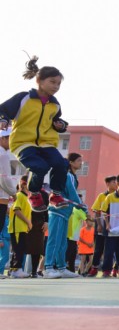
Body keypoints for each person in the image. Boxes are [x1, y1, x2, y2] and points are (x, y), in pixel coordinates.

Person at [0, 55, 70, 212]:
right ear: (39, 81)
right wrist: (3, 119)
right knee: (40, 167)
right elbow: (2, 110)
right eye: (52, 82)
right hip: (23, 143)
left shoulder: (55, 104)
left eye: (58, 83)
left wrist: (61, 125)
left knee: (61, 164)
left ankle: (55, 195)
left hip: (46, 143)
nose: (56, 86)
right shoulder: (23, 98)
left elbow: (56, 121)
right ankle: (34, 193)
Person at [88, 176, 117, 277]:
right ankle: (94, 268)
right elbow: (96, 211)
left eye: (116, 182)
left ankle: (109, 269)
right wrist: (99, 225)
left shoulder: (117, 197)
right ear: (107, 184)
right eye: (113, 182)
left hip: (113, 227)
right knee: (98, 249)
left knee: (110, 249)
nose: (116, 184)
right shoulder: (101, 196)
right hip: (101, 227)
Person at [9, 176, 32, 278]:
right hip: (17, 227)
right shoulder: (19, 195)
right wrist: (28, 222)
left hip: (22, 228)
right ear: (25, 184)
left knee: (20, 248)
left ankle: (15, 270)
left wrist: (28, 224)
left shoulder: (26, 197)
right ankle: (16, 269)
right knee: (18, 249)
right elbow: (16, 210)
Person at [0, 128, 19, 239]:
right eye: (11, 139)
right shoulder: (3, 155)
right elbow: (4, 179)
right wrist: (14, 193)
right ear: (3, 138)